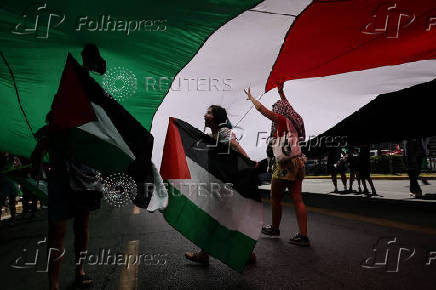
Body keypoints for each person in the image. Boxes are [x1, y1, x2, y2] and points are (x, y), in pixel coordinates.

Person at [32, 44, 106, 290]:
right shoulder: (57, 116)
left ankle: (79, 270)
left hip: (84, 175)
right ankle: (53, 284)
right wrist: (38, 154)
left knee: (82, 224)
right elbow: (44, 142)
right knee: (58, 227)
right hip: (62, 175)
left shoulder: (91, 112)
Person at [184, 105, 256, 265]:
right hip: (217, 184)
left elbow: (236, 146)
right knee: (226, 219)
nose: (205, 115)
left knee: (214, 219)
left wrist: (249, 162)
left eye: (209, 113)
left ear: (217, 117)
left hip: (225, 185)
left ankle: (205, 254)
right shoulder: (211, 135)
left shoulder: (224, 133)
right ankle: (247, 252)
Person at [245, 83, 310, 247]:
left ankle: (275, 228)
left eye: (277, 109)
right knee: (298, 198)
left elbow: (264, 111)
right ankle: (303, 236)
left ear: (280, 111)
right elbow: (287, 106)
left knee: (275, 197)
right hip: (299, 162)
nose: (275, 112)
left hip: (285, 164)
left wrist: (252, 99)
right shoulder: (296, 121)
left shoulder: (281, 119)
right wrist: (281, 93)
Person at [0, 152, 19, 226]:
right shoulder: (3, 158)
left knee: (11, 203)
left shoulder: (13, 158)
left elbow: (18, 166)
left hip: (11, 184)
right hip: (4, 184)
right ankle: (13, 219)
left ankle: (13, 219)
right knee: (2, 202)